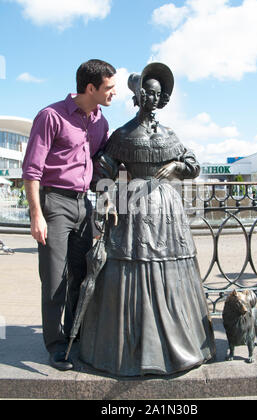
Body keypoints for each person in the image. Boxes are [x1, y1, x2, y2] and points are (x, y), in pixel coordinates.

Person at [79, 63, 216, 376]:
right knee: (132, 265)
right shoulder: (124, 134)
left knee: (170, 265)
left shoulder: (169, 134)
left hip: (166, 209)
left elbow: (192, 163)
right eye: (146, 94)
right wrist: (108, 195)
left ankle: (177, 343)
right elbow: (104, 170)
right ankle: (130, 350)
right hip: (133, 209)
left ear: (162, 98)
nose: (152, 99)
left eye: (157, 94)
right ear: (138, 97)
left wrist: (180, 169)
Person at [22, 59, 116, 371]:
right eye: (109, 87)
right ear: (91, 88)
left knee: (83, 273)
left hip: (83, 205)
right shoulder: (51, 116)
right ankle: (57, 346)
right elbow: (32, 170)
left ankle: (76, 337)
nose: (114, 93)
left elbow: (101, 166)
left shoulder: (100, 121)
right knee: (54, 280)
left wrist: (107, 202)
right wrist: (37, 215)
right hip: (54, 204)